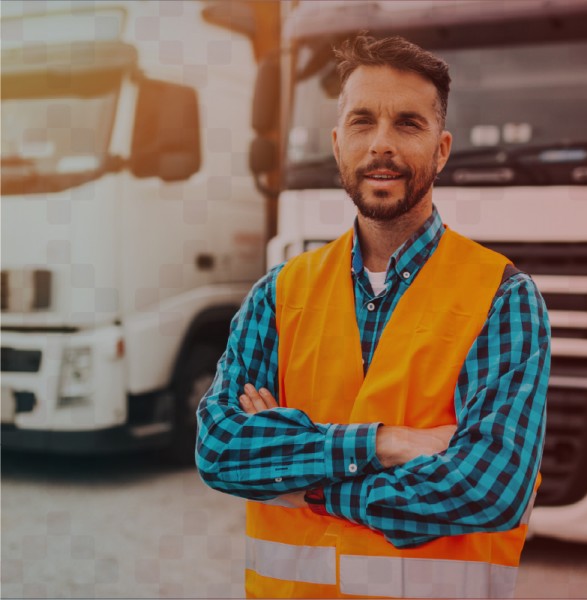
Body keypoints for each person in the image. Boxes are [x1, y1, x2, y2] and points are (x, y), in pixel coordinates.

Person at [196, 34, 550, 599]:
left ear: (441, 149)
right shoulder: (279, 294)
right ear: (338, 143)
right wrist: (385, 444)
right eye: (363, 122)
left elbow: (490, 486)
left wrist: (310, 486)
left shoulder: (502, 298)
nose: (381, 144)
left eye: (408, 124)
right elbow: (220, 449)